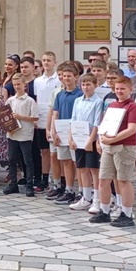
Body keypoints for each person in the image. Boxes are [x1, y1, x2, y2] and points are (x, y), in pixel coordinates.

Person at [89, 77, 136, 227]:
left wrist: (113, 140)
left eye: (122, 88)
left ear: (130, 90)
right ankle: (104, 211)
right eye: (117, 88)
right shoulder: (112, 105)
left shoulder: (133, 107)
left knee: (123, 180)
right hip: (108, 147)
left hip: (125, 147)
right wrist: (100, 140)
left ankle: (127, 213)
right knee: (104, 179)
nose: (119, 91)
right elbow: (103, 125)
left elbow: (132, 129)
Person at [67, 73, 104, 212]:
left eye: (89, 84)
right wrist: (70, 138)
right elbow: (73, 120)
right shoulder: (78, 101)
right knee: (81, 168)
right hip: (78, 139)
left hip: (91, 140)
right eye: (83, 84)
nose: (86, 87)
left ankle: (97, 200)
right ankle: (86, 198)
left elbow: (96, 123)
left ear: (95, 85)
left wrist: (91, 140)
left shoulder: (98, 102)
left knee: (94, 169)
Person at [49, 63, 83, 205]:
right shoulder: (59, 94)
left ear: (76, 77)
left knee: (78, 163)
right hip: (61, 132)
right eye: (64, 76)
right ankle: (69, 190)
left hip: (75, 133)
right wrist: (53, 132)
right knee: (66, 162)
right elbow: (55, 114)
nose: (66, 78)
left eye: (70, 76)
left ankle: (82, 191)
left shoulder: (80, 94)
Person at [3, 74, 39, 197]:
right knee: (12, 159)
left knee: (27, 160)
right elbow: (5, 115)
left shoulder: (30, 101)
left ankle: (29, 185)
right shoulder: (10, 100)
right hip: (12, 134)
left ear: (25, 85)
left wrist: (20, 117)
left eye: (19, 84)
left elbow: (35, 117)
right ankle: (13, 184)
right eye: (15, 85)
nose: (17, 87)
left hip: (25, 134)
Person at [32, 51, 61, 193]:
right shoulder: (37, 81)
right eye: (44, 60)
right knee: (44, 150)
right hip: (42, 118)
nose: (46, 63)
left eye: (49, 60)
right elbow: (38, 100)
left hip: (56, 118)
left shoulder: (59, 80)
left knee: (55, 152)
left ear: (54, 62)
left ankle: (57, 179)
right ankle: (44, 178)